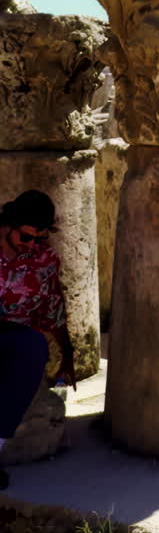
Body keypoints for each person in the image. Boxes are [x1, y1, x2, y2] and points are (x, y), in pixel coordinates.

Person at [0, 190, 75, 489]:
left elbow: (53, 309)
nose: (31, 246)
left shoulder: (44, 261)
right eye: (26, 237)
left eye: (39, 239)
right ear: (8, 225)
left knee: (33, 347)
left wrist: (68, 356)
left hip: (11, 335)